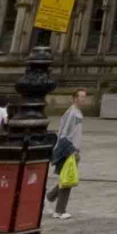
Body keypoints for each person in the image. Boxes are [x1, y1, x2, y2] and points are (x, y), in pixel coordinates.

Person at [47, 89, 86, 220]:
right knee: (67, 179)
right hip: (69, 150)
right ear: (74, 98)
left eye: (84, 97)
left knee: (67, 177)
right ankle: (59, 210)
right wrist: (72, 150)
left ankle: (50, 197)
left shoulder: (76, 112)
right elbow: (65, 134)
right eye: (81, 97)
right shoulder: (72, 113)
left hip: (72, 149)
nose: (83, 99)